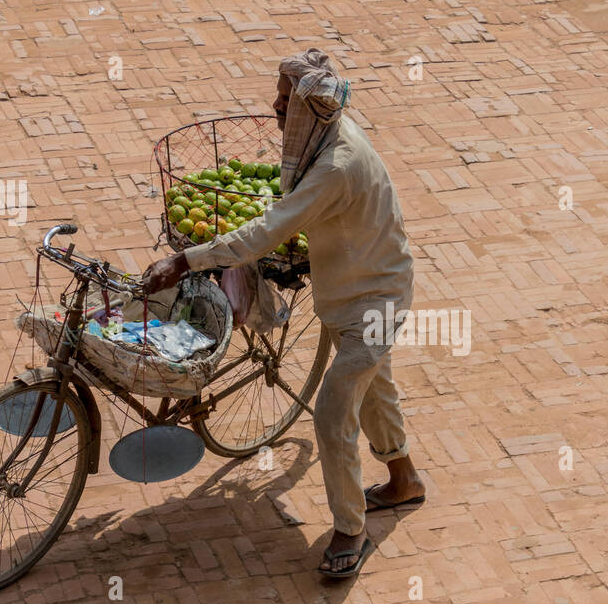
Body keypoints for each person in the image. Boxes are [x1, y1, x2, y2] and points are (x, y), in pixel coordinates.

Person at [141, 49, 424, 577]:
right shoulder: (327, 139)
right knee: (376, 390)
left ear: (306, 110)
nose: (274, 104)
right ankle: (404, 480)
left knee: (334, 412)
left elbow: (268, 231)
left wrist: (186, 259)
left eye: (284, 98)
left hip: (374, 305)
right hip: (349, 293)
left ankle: (349, 531)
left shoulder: (335, 169)